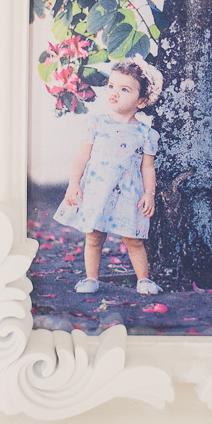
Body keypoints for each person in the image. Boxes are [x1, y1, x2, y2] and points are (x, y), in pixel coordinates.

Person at [54, 55, 162, 296]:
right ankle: (91, 278)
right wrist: (73, 184)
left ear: (142, 100)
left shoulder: (145, 133)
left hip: (129, 193)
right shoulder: (96, 124)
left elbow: (147, 167)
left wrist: (149, 193)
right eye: (111, 86)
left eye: (125, 89)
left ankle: (143, 280)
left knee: (133, 239)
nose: (114, 92)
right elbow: (82, 156)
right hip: (96, 189)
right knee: (93, 236)